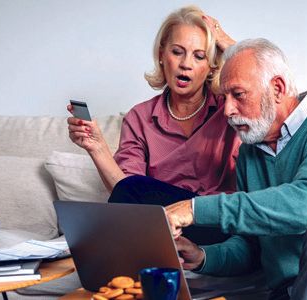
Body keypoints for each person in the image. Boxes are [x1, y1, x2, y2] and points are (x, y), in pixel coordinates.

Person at [165, 39, 307, 299]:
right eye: (224, 98)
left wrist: (195, 209)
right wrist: (203, 257)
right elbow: (250, 246)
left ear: (277, 88)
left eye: (238, 95)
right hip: (287, 294)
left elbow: (305, 206)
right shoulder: (249, 154)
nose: (228, 110)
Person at [66, 5, 237, 245]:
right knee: (133, 192)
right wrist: (97, 147)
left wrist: (230, 45)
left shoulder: (230, 107)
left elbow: (269, 98)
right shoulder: (140, 118)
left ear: (211, 66)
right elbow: (127, 192)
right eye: (177, 52)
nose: (186, 64)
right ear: (161, 54)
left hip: (218, 223)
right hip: (165, 224)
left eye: (199, 56)